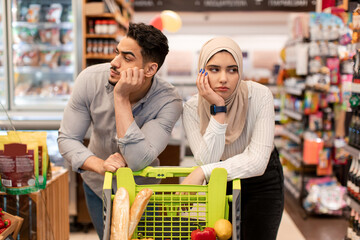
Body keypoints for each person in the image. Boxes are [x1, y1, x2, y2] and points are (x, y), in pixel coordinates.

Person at [58, 23, 183, 239]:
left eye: (127, 58)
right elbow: (67, 138)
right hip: (98, 186)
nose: (114, 63)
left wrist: (121, 97)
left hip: (142, 190)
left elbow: (137, 160)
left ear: (150, 69)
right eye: (117, 53)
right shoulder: (90, 80)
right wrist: (100, 165)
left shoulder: (168, 101)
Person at [181, 37, 284, 240]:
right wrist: (219, 110)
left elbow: (256, 162)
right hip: (220, 183)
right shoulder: (192, 108)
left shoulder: (260, 96)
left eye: (232, 70)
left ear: (240, 72)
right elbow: (208, 160)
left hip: (261, 184)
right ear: (201, 71)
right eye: (213, 69)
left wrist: (202, 171)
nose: (223, 78)